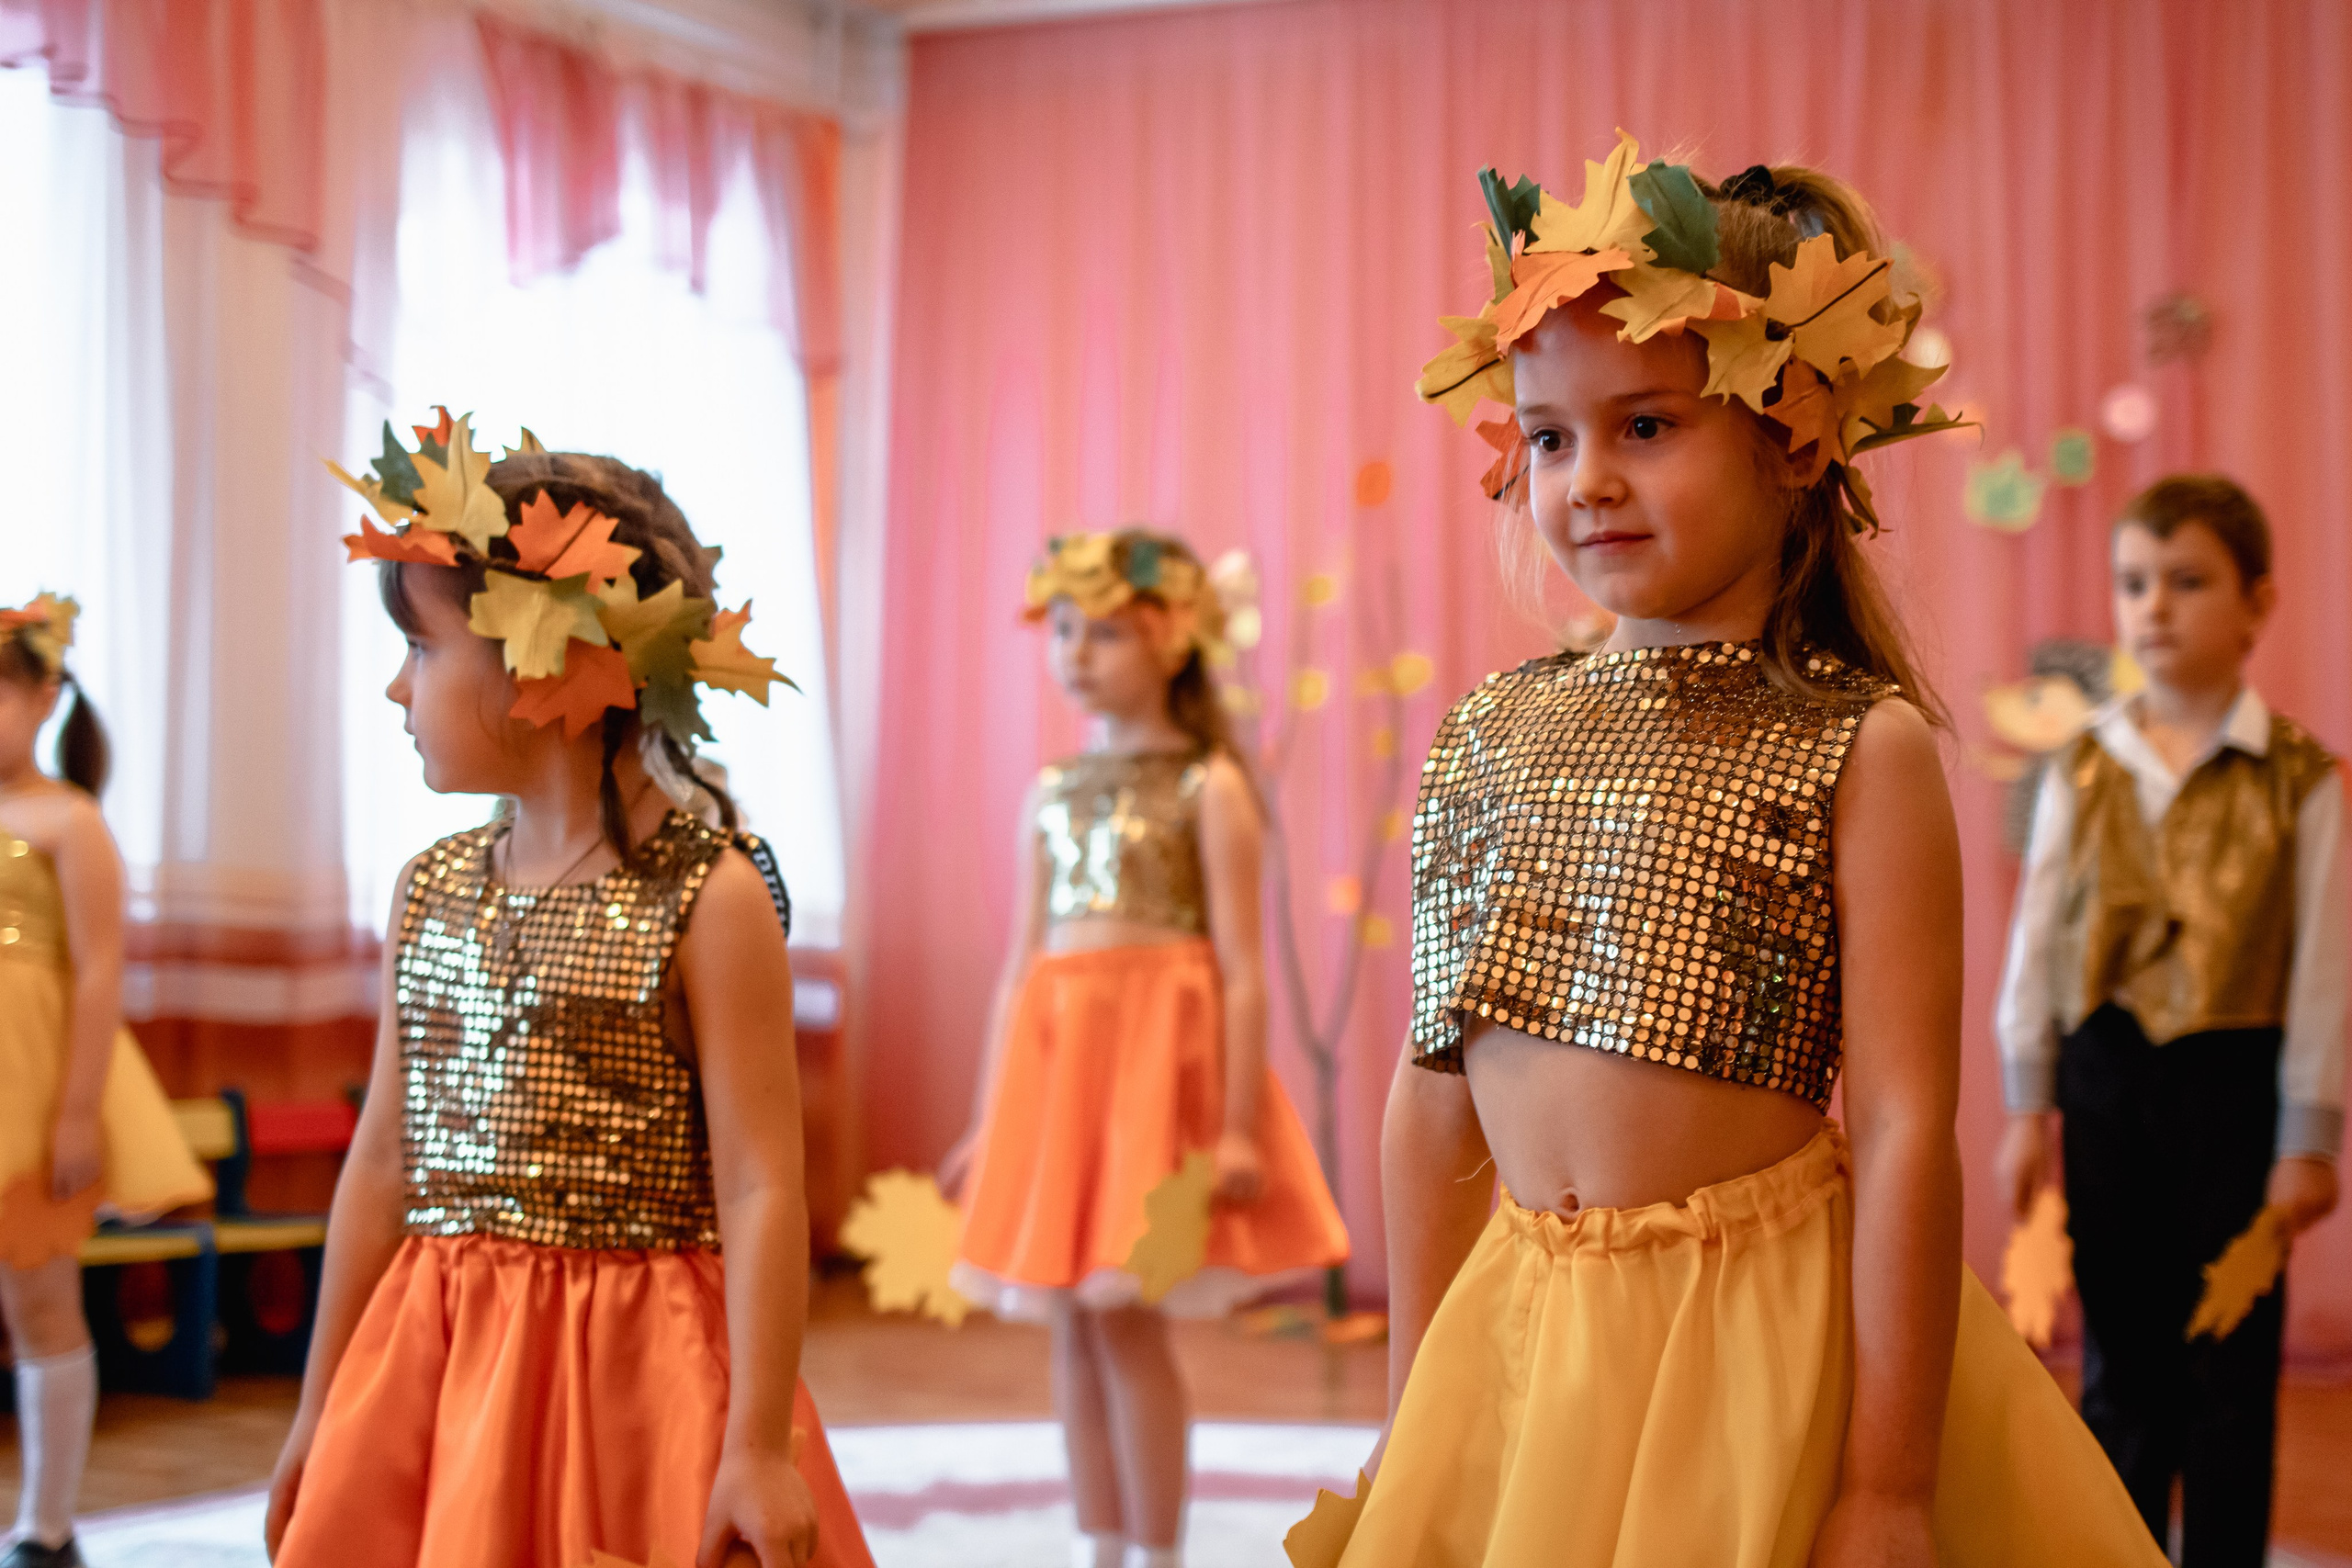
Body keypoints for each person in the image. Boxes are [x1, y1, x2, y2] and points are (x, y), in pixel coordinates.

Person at [1305, 136, 2166, 1567]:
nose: (1588, 479)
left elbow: (1900, 1129)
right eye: (1551, 435)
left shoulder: (1857, 742)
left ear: (1794, 433)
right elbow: (1432, 1101)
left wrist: (1886, 1482)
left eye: (1646, 425)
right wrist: (1414, 1411)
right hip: (1529, 1344)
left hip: (1752, 1346)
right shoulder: (1486, 734)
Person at [265, 414, 872, 1568]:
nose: (397, 689)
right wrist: (317, 1411)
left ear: (543, 662)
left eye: (425, 650)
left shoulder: (712, 896)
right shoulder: (429, 888)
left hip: (637, 1374)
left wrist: (755, 1445)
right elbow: (384, 1161)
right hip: (436, 1363)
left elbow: (758, 1184)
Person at [940, 529, 1349, 1568]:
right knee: (1072, 1331)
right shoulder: (1049, 790)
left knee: (1124, 1323)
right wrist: (992, 1122)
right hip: (1058, 1081)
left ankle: (1157, 1551)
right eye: (1064, 629)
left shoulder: (1208, 786)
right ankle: (1101, 1543)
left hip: (1147, 1084)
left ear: (1172, 642)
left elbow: (1241, 968)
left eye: (1106, 631)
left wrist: (1234, 1128)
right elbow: (1019, 966)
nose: (1076, 652)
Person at [1995, 475, 2344, 1566]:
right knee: (2121, 1359)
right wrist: (2025, 1106)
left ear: (2256, 603)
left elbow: (2322, 968)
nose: (2154, 607)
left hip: (2236, 1090)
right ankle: (2122, 1549)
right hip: (2106, 1086)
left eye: (2187, 583)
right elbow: (2039, 939)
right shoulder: (2084, 765)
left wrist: (2308, 1139)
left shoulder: (2302, 780)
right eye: (2135, 583)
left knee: (2231, 1367)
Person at [0, 593, 211, 1568]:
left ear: (46, 696)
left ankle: (44, 1527)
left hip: (29, 1090)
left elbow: (96, 971)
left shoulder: (67, 820)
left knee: (38, 1298)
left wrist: (78, 1109)